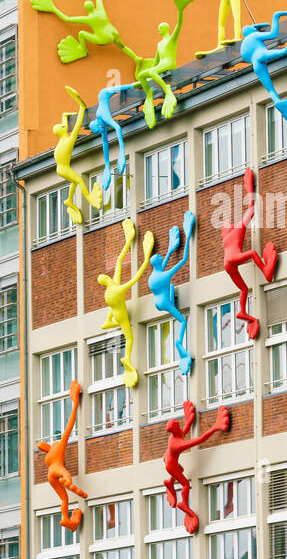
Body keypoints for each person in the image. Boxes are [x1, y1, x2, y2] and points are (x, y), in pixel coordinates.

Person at [119, 0, 194, 127]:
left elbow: (179, 24)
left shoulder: (171, 39)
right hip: (161, 65)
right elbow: (155, 63)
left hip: (169, 63)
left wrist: (180, 10)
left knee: (153, 71)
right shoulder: (159, 44)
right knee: (142, 74)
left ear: (165, 28)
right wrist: (145, 77)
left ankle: (166, 90)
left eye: (161, 27)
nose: (159, 29)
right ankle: (149, 95)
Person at [221, 168, 277, 339]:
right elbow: (251, 209)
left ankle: (244, 312)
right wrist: (249, 189)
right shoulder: (237, 230)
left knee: (244, 288)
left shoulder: (226, 240)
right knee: (253, 252)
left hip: (227, 264)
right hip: (233, 259)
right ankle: (266, 271)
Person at [97, 219, 154, 387]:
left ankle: (108, 322)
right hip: (121, 314)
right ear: (106, 279)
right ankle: (127, 358)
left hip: (114, 310)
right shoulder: (116, 289)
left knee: (118, 265)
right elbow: (135, 278)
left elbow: (119, 261)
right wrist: (145, 257)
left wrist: (129, 239)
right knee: (129, 338)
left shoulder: (111, 287)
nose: (109, 276)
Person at [164, 401, 230, 534]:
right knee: (185, 485)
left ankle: (169, 483)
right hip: (170, 465)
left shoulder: (175, 435)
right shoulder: (176, 443)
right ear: (174, 428)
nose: (178, 423)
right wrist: (215, 427)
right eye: (176, 423)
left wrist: (188, 419)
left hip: (169, 459)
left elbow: (184, 431)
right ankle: (184, 505)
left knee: (180, 471)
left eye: (177, 423)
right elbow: (199, 440)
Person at [240, 10, 287, 123]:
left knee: (270, 89)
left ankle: (280, 104)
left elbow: (246, 57)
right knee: (283, 51)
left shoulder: (243, 47)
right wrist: (281, 15)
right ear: (251, 30)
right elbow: (273, 34)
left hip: (256, 64)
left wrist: (256, 28)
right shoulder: (254, 35)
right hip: (261, 54)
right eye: (254, 28)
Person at [148, 212, 196, 373]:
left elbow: (164, 265)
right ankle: (179, 344)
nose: (164, 257)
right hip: (165, 303)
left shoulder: (154, 276)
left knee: (170, 287)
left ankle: (172, 296)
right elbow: (183, 260)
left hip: (159, 301)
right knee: (182, 321)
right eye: (162, 256)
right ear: (158, 262)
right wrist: (188, 235)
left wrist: (170, 249)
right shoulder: (163, 275)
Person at [37, 380, 87, 531]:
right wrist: (75, 402)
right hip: (57, 469)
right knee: (65, 478)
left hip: (50, 474)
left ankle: (66, 518)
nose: (58, 441)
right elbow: (69, 426)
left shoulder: (50, 455)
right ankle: (68, 482)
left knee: (64, 498)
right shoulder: (58, 450)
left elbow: (41, 445)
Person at [52, 86, 103, 224]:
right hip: (64, 168)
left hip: (60, 168)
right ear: (62, 131)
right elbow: (77, 125)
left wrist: (69, 112)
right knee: (79, 180)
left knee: (74, 181)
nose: (65, 126)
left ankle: (69, 200)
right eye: (63, 127)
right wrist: (81, 108)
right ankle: (89, 198)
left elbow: (63, 116)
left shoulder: (61, 140)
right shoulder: (68, 141)